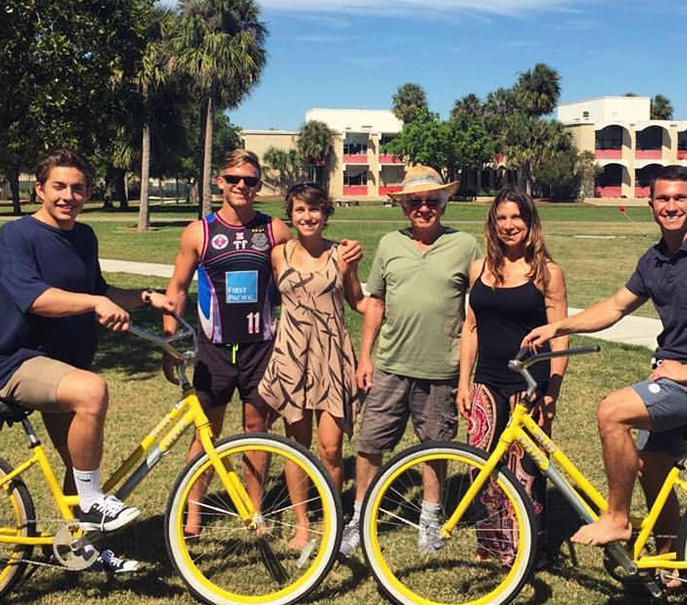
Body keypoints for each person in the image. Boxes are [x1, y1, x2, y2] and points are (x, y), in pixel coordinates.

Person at [525, 165, 687, 561]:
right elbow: (615, 307)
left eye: (679, 198)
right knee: (653, 472)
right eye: (662, 199)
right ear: (650, 204)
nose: (671, 206)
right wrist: (558, 325)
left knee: (611, 412)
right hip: (674, 380)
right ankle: (670, 563)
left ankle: (616, 518)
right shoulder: (654, 260)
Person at [0, 148, 175, 572]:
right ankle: (92, 505)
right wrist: (91, 304)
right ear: (40, 189)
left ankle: (79, 549)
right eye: (59, 187)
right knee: (93, 390)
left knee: (78, 463)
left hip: (63, 365)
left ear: (87, 192)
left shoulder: (84, 236)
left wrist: (145, 297)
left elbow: (100, 291)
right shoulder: (16, 235)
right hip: (18, 362)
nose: (68, 195)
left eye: (78, 188)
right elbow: (35, 298)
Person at [162, 150, 360, 536]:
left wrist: (346, 250)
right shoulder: (199, 232)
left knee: (257, 431)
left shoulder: (274, 231)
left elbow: (312, 251)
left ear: (257, 186)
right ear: (220, 181)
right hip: (213, 347)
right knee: (207, 432)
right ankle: (193, 515)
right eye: (234, 179)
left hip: (262, 347)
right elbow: (178, 288)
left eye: (250, 181)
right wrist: (170, 340)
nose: (241, 186)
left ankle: (256, 512)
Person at [340, 165, 481, 557]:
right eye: (415, 202)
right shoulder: (389, 244)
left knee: (434, 448)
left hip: (441, 369)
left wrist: (466, 376)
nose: (423, 208)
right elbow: (376, 304)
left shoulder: (466, 246)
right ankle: (359, 517)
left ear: (443, 203)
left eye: (431, 201)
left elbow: (475, 313)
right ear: (404, 207)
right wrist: (365, 357)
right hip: (389, 364)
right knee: (370, 445)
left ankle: (430, 520)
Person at [457, 188, 568, 568]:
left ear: (530, 222)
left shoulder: (547, 273)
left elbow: (560, 334)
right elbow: (470, 327)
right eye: (501, 218)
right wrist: (463, 383)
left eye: (516, 218)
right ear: (493, 224)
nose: (508, 226)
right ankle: (491, 543)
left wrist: (552, 392)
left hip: (529, 383)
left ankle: (528, 548)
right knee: (481, 465)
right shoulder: (480, 269)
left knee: (526, 469)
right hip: (486, 381)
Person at [257, 183, 367, 549]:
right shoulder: (278, 255)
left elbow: (357, 301)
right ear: (290, 214)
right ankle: (302, 523)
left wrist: (389, 309)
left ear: (326, 214)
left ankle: (332, 519)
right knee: (297, 445)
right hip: (291, 357)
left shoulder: (342, 255)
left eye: (315, 210)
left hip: (331, 356)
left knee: (331, 448)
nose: (308, 217)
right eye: (300, 210)